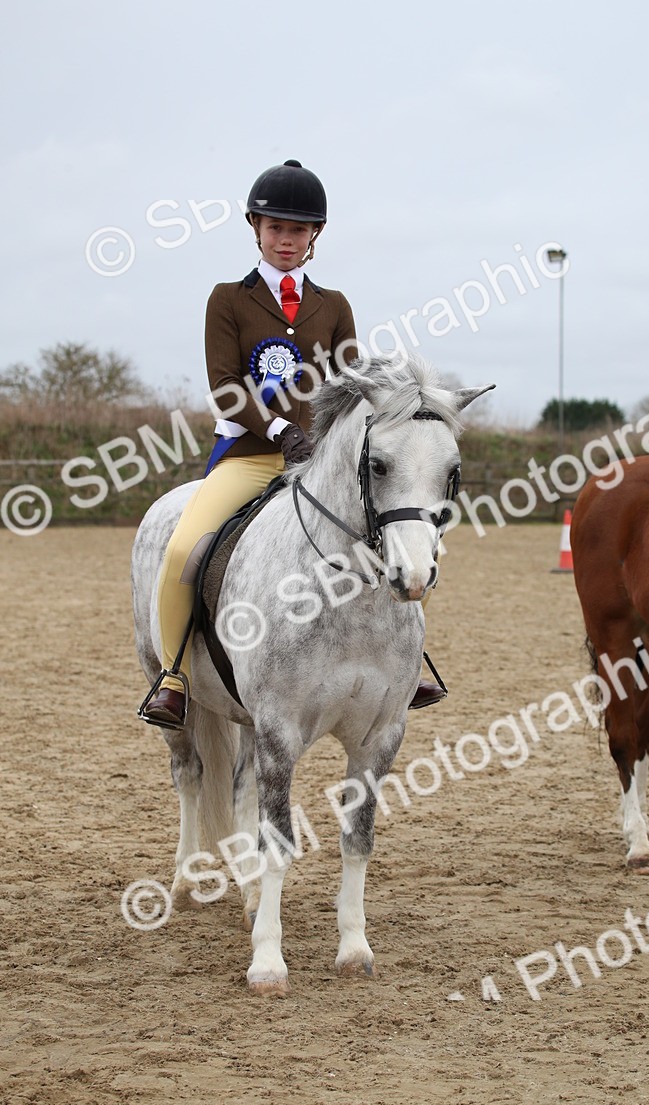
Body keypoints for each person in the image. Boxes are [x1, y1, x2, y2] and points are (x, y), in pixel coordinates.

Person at [141, 159, 445, 728]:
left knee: (400, 532)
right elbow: (225, 388)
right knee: (183, 551)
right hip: (250, 457)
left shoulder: (333, 306)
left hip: (322, 464)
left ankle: (411, 663)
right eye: (277, 227)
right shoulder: (227, 299)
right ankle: (175, 673)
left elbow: (353, 387)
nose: (287, 239)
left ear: (315, 237)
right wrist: (281, 430)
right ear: (256, 227)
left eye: (299, 230)